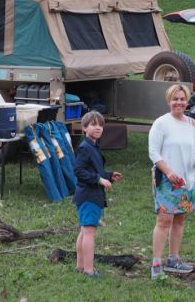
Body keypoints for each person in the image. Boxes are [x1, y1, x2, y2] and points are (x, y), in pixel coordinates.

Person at [148, 84, 195, 280]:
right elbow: (154, 153)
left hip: (187, 180)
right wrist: (169, 172)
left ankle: (174, 258)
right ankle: (156, 263)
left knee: (180, 219)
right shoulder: (161, 124)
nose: (179, 102)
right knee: (165, 220)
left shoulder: (192, 124)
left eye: (182, 99)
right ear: (168, 101)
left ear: (187, 101)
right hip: (167, 180)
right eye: (175, 99)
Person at [72, 111, 122, 278]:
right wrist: (99, 180)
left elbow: (94, 170)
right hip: (88, 196)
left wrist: (108, 176)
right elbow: (79, 171)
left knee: (84, 230)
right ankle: (88, 270)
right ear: (85, 128)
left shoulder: (93, 146)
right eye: (93, 124)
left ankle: (80, 266)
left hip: (90, 195)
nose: (98, 128)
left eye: (100, 125)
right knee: (89, 232)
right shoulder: (84, 148)